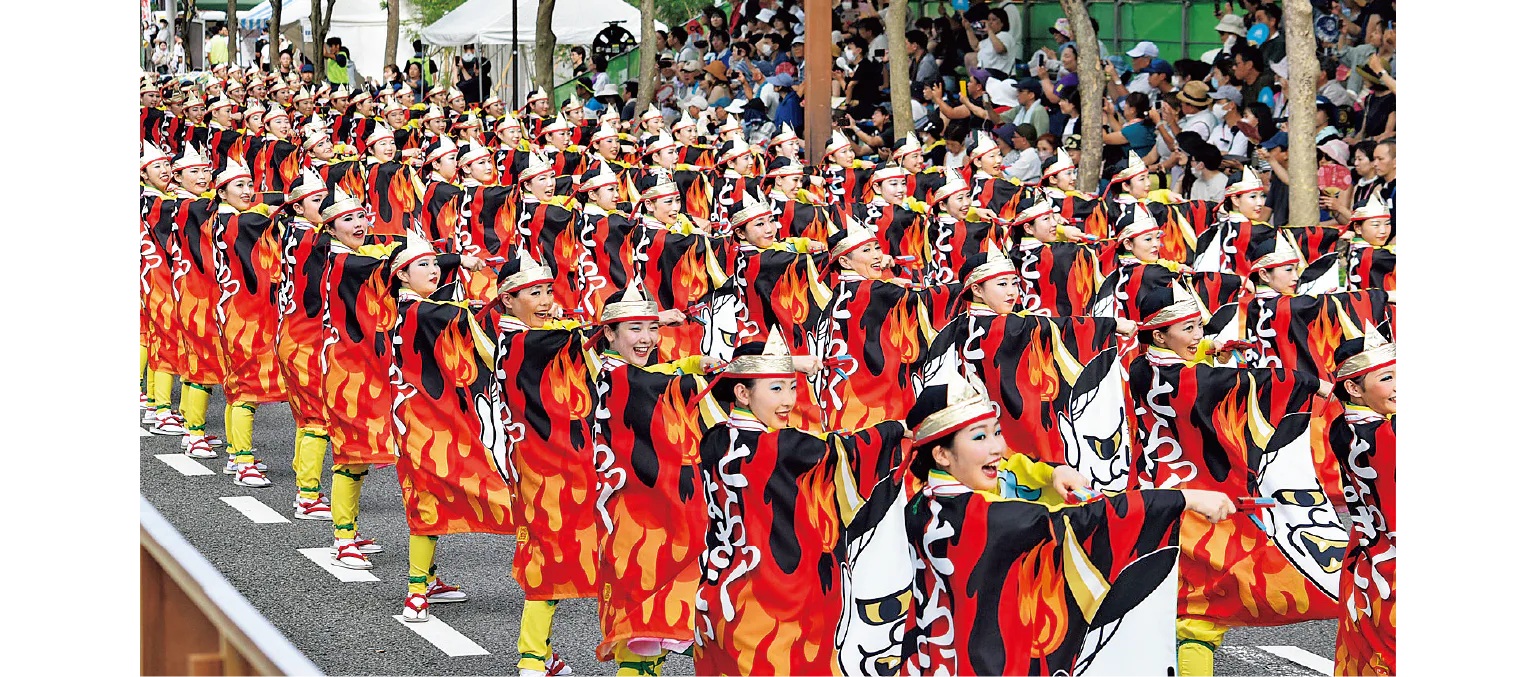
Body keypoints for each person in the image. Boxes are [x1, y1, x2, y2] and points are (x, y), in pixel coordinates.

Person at [695, 329, 905, 677]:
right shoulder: (780, 448)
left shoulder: (713, 438)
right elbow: (844, 453)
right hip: (770, 596)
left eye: (792, 386)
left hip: (719, 586)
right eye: (776, 388)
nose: (789, 399)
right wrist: (895, 431)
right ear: (742, 393)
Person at [1327, 319, 1398, 677]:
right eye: (1386, 379)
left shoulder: (1347, 425)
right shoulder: (1376, 433)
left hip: (1368, 562)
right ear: (1353, 387)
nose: (1397, 385)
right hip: (1387, 566)